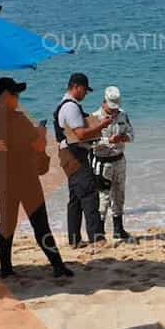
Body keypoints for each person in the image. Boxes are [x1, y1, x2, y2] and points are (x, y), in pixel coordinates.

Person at [0, 77, 73, 278]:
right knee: (40, 223)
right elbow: (38, 145)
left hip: (2, 178)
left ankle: (5, 269)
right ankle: (58, 266)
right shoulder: (18, 119)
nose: (18, 99)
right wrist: (40, 131)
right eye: (15, 94)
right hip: (25, 178)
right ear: (6, 96)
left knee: (6, 223)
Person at [54, 73, 113, 247]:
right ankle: (97, 238)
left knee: (76, 198)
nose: (85, 94)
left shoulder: (63, 105)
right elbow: (79, 134)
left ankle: (74, 239)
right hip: (74, 155)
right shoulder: (71, 107)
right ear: (76, 87)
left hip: (66, 154)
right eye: (85, 90)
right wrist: (100, 126)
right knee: (89, 194)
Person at [90, 86, 133, 241]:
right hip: (102, 163)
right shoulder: (94, 117)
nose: (114, 111)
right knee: (103, 198)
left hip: (119, 160)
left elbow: (132, 135)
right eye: (111, 107)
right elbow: (90, 143)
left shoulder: (123, 115)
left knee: (119, 195)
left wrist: (123, 138)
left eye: (116, 107)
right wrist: (109, 140)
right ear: (104, 103)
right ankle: (99, 233)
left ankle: (118, 229)